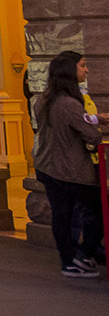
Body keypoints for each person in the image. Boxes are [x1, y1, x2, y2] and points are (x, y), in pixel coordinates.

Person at [31, 51, 104, 278]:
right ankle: (83, 254)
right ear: (70, 71)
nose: (86, 70)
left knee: (61, 215)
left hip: (46, 166)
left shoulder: (44, 99)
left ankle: (69, 260)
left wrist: (92, 119)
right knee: (99, 211)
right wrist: (93, 132)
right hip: (70, 170)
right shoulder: (69, 104)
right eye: (82, 66)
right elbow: (92, 136)